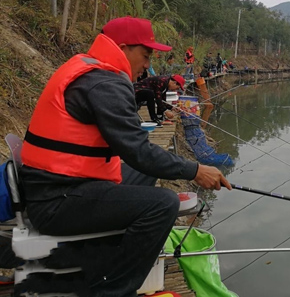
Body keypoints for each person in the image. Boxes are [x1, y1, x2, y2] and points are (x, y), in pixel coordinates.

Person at [19, 17, 231, 297]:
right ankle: (113, 290)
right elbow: (139, 150)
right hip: (55, 200)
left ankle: (108, 248)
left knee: (148, 171)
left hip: (59, 185)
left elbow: (138, 153)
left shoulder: (90, 67)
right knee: (163, 204)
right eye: (145, 56)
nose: (147, 65)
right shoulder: (104, 82)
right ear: (122, 47)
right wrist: (195, 170)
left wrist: (183, 168)